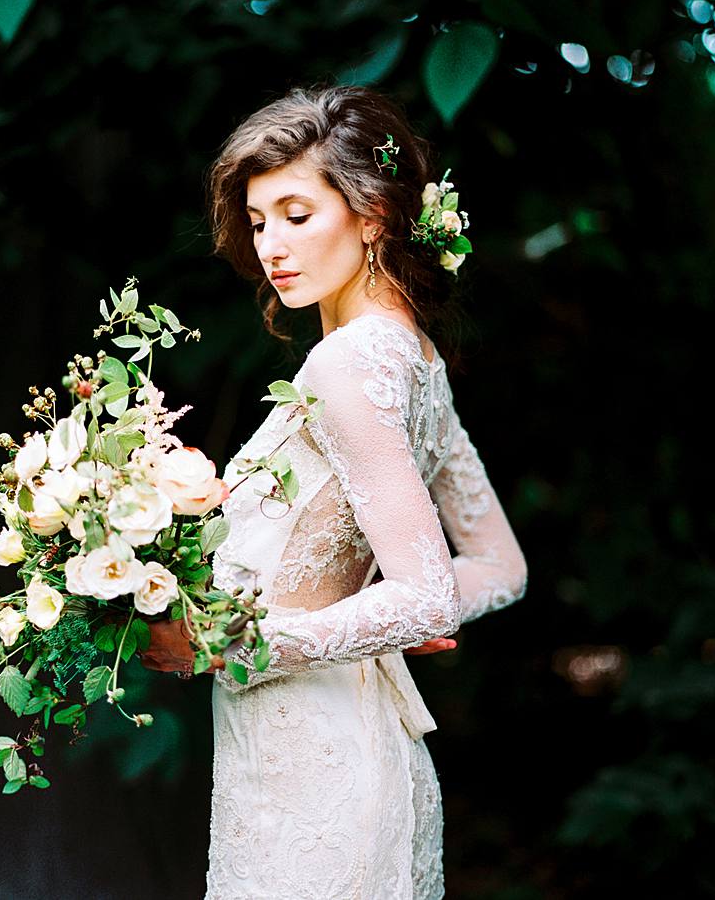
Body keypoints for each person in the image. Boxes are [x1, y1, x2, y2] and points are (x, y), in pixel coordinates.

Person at [141, 84, 528, 899]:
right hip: (339, 752)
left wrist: (226, 645)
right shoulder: (415, 362)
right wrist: (381, 618)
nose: (271, 245)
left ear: (373, 216)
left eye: (295, 213)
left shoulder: (349, 364)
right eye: (257, 221)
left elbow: (421, 599)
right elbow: (499, 566)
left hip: (311, 776)